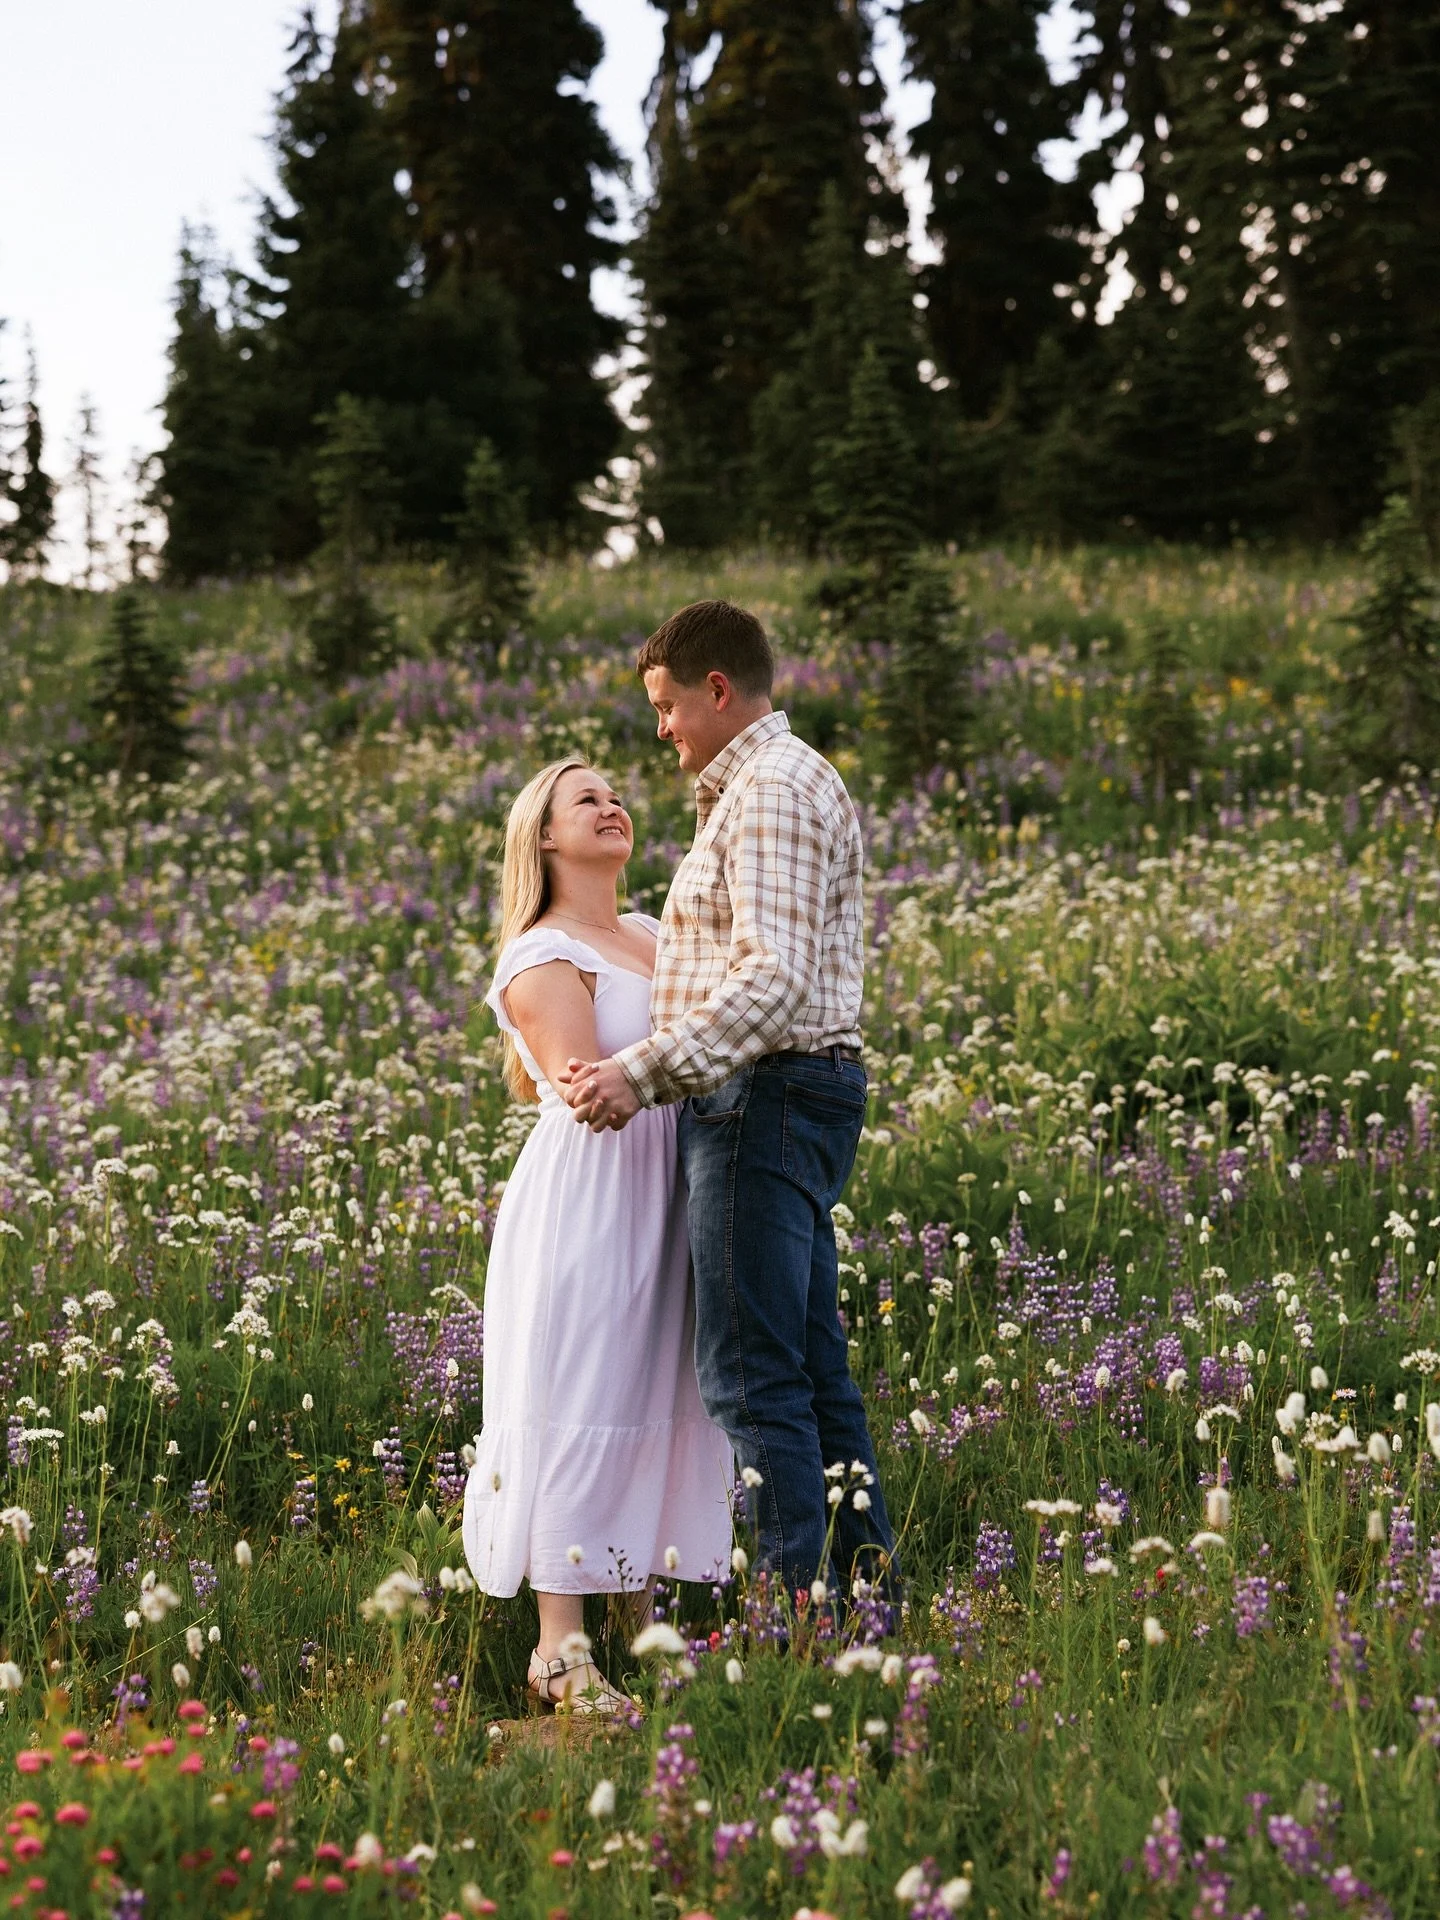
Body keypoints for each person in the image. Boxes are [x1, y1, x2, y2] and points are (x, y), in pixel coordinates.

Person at [565, 600, 895, 1605]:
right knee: (810, 1368)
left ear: (716, 689)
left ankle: (796, 1618)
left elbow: (774, 979)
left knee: (751, 1377)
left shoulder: (771, 790)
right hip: (783, 1093)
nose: (661, 728)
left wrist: (640, 1072)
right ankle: (864, 1600)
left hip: (763, 1096)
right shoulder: (767, 785)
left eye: (666, 706)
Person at [461, 758, 733, 1713]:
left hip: (675, 1184)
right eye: (587, 799)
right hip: (594, 1194)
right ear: (543, 835)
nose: (612, 806)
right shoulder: (541, 956)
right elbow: (586, 1085)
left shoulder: (653, 933)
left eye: (616, 795)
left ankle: (638, 1623)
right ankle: (559, 1651)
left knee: (660, 1388)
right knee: (583, 1394)